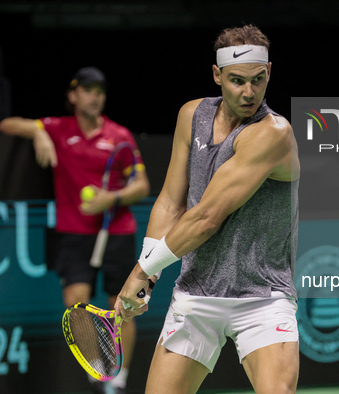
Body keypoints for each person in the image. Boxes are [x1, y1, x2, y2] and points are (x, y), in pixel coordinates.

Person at [115, 25, 300, 394]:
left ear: (269, 73)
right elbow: (171, 202)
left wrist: (141, 271)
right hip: (196, 292)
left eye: (258, 80)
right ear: (217, 74)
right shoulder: (192, 115)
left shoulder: (273, 133)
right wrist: (149, 274)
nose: (248, 92)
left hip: (262, 298)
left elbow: (205, 218)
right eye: (236, 81)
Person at [0, 66, 150, 394]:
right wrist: (38, 132)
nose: (94, 96)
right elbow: (7, 124)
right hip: (74, 233)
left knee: (122, 306)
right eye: (87, 90)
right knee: (76, 303)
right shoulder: (57, 128)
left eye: (99, 91)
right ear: (73, 96)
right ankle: (100, 371)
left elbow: (142, 185)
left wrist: (111, 198)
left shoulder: (119, 135)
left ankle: (118, 379)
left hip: (116, 230)